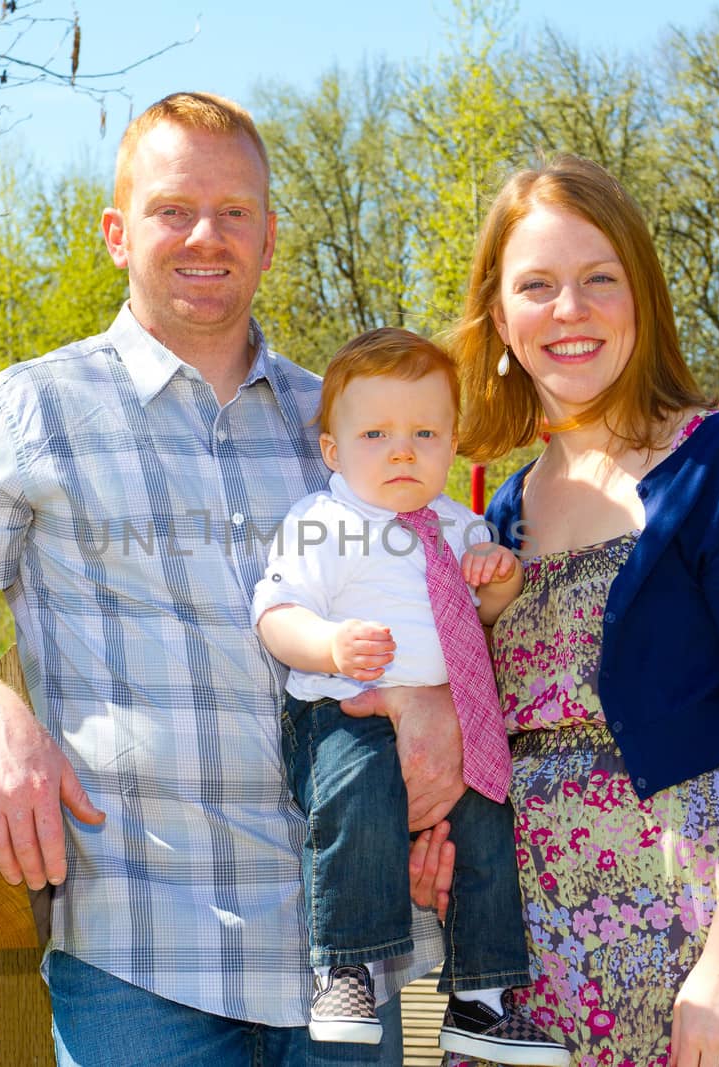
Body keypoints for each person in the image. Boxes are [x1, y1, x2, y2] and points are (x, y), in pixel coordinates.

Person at [0, 91, 462, 1067]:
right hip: (145, 961)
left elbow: (444, 604)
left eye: (235, 212)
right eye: (172, 209)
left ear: (269, 239)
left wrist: (441, 696)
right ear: (117, 232)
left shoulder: (354, 425)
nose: (206, 235)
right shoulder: (30, 412)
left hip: (369, 947)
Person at [419, 155, 719, 1066]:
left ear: (640, 298)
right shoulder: (501, 516)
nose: (568, 309)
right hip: (527, 960)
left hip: (698, 934)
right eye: (536, 285)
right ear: (500, 319)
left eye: (598, 279)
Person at [252, 327, 571, 1067]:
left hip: (449, 725)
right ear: (332, 450)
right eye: (376, 433)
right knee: (357, 794)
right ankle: (347, 968)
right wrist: (328, 644)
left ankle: (480, 1000)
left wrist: (499, 581)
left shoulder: (461, 525)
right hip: (340, 712)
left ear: (453, 442)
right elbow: (276, 612)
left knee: (487, 815)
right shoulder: (321, 522)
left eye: (425, 432)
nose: (403, 450)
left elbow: (479, 619)